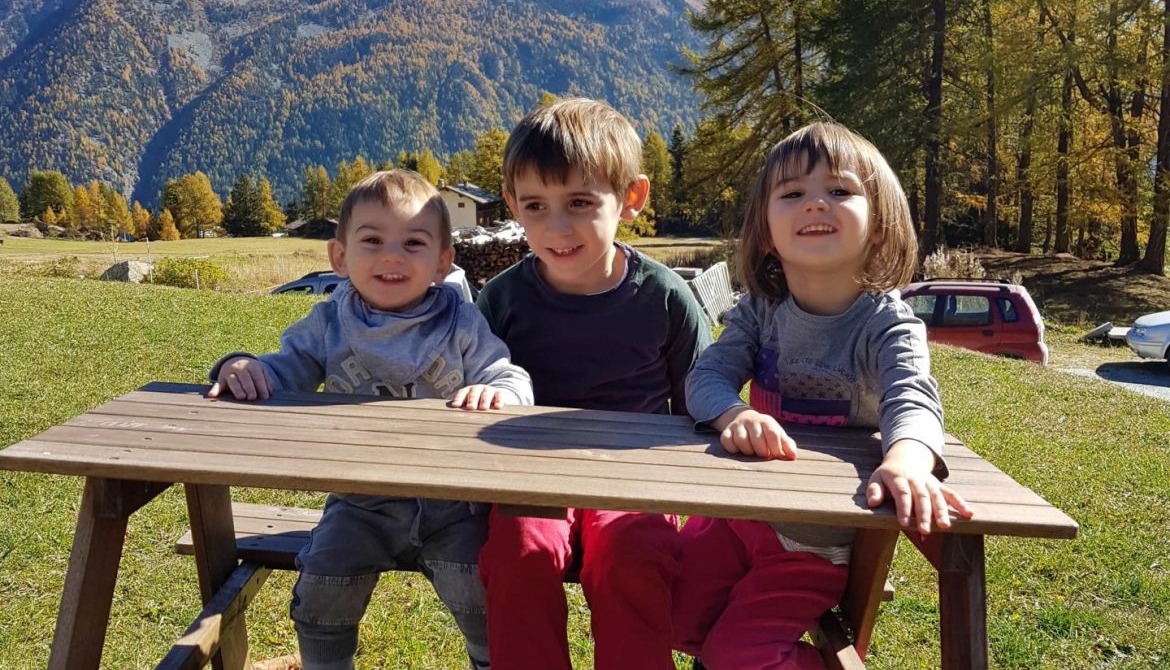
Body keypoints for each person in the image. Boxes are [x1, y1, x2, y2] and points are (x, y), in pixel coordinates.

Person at [672, 121, 974, 670]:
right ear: (766, 230)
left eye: (839, 190)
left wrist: (907, 461)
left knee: (735, 658)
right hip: (737, 519)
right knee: (673, 616)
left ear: (879, 224)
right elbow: (705, 377)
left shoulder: (887, 325)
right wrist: (733, 414)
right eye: (792, 194)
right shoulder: (760, 312)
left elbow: (912, 398)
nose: (815, 203)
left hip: (812, 544)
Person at [207, 169, 533, 670]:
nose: (392, 256)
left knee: (481, 593)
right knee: (323, 589)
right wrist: (243, 366)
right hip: (359, 501)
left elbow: (507, 374)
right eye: (373, 240)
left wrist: (498, 391)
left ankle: (490, 660)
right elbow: (286, 368)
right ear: (340, 257)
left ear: (443, 262)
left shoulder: (462, 323)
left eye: (414, 243)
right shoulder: (329, 323)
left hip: (453, 504)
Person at [474, 97, 711, 670]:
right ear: (512, 204)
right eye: (535, 205)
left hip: (634, 479)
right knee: (519, 552)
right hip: (530, 477)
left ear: (631, 197)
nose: (557, 227)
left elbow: (703, 400)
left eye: (580, 202)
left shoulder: (665, 297)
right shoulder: (502, 300)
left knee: (632, 556)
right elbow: (471, 383)